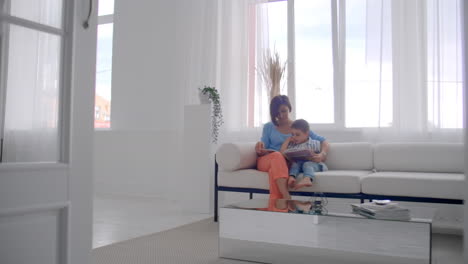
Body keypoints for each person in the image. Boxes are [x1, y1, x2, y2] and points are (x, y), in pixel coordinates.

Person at [255, 95, 329, 199]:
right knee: (277, 156)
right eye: (277, 112)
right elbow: (263, 149)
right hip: (268, 161)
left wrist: (322, 154)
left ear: (289, 108)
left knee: (275, 171)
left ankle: (278, 207)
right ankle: (286, 196)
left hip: (284, 165)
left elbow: (324, 141)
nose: (280, 115)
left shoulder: (298, 127)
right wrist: (259, 147)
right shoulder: (268, 127)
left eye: (284, 111)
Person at [280, 119, 329, 190]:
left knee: (307, 164)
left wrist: (318, 156)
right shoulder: (293, 145)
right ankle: (292, 177)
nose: (294, 137)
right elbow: (282, 152)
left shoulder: (314, 143)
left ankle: (307, 179)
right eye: (292, 134)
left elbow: (323, 158)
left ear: (307, 133)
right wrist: (287, 140)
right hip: (300, 166)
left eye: (297, 134)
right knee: (295, 164)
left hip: (316, 165)